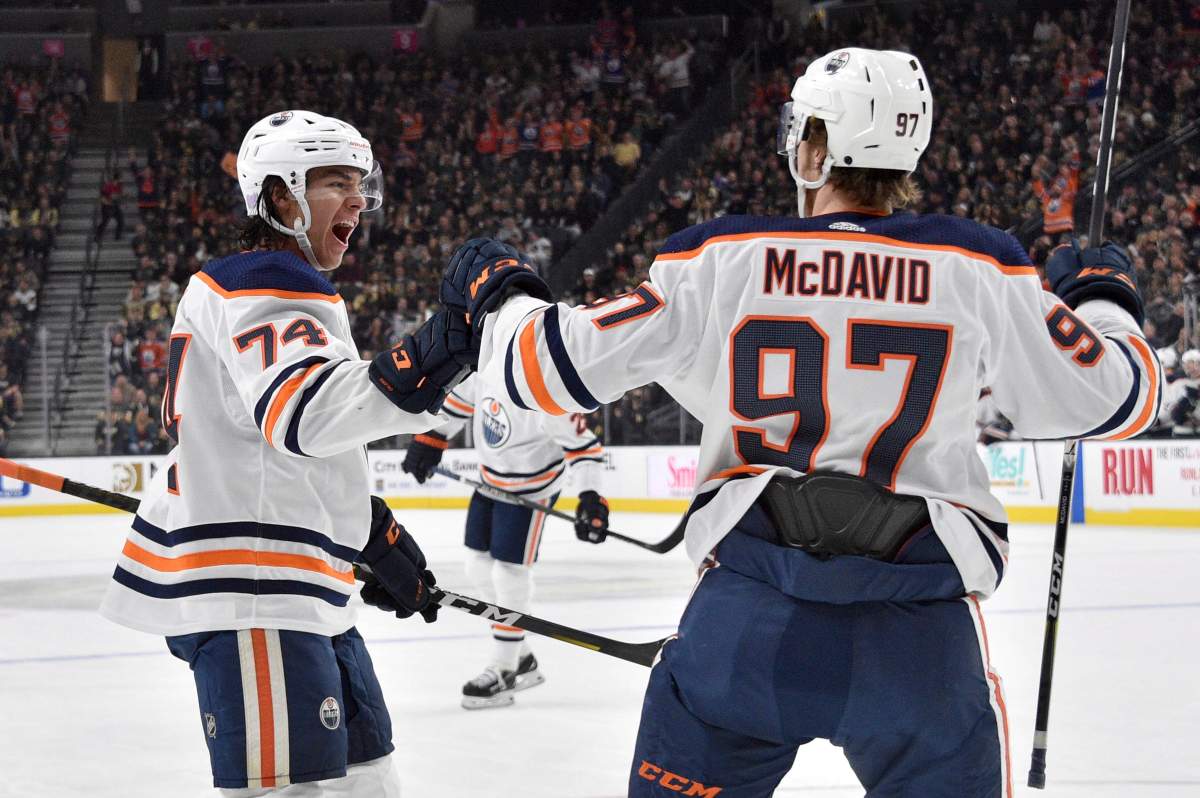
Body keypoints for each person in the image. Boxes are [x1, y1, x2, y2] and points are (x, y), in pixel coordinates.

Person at [439, 48, 1163, 797]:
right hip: (918, 643)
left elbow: (540, 369)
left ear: (816, 147)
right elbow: (1124, 395)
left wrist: (503, 295)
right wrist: (1102, 296)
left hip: (746, 626)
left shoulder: (723, 257)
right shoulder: (980, 267)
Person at [99, 110, 477, 796]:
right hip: (255, 595)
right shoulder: (266, 278)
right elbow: (306, 414)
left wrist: (367, 532)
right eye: (337, 181)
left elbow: (279, 448)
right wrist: (444, 345)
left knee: (371, 780)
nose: (359, 200)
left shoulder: (260, 284)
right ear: (281, 196)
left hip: (300, 588)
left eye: (361, 183)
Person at [400, 372, 609, 709]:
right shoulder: (489, 363)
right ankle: (521, 656)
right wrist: (431, 440)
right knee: (477, 566)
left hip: (531, 489)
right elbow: (455, 405)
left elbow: (586, 449)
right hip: (489, 480)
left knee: (509, 574)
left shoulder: (548, 388)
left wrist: (591, 497)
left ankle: (505, 668)